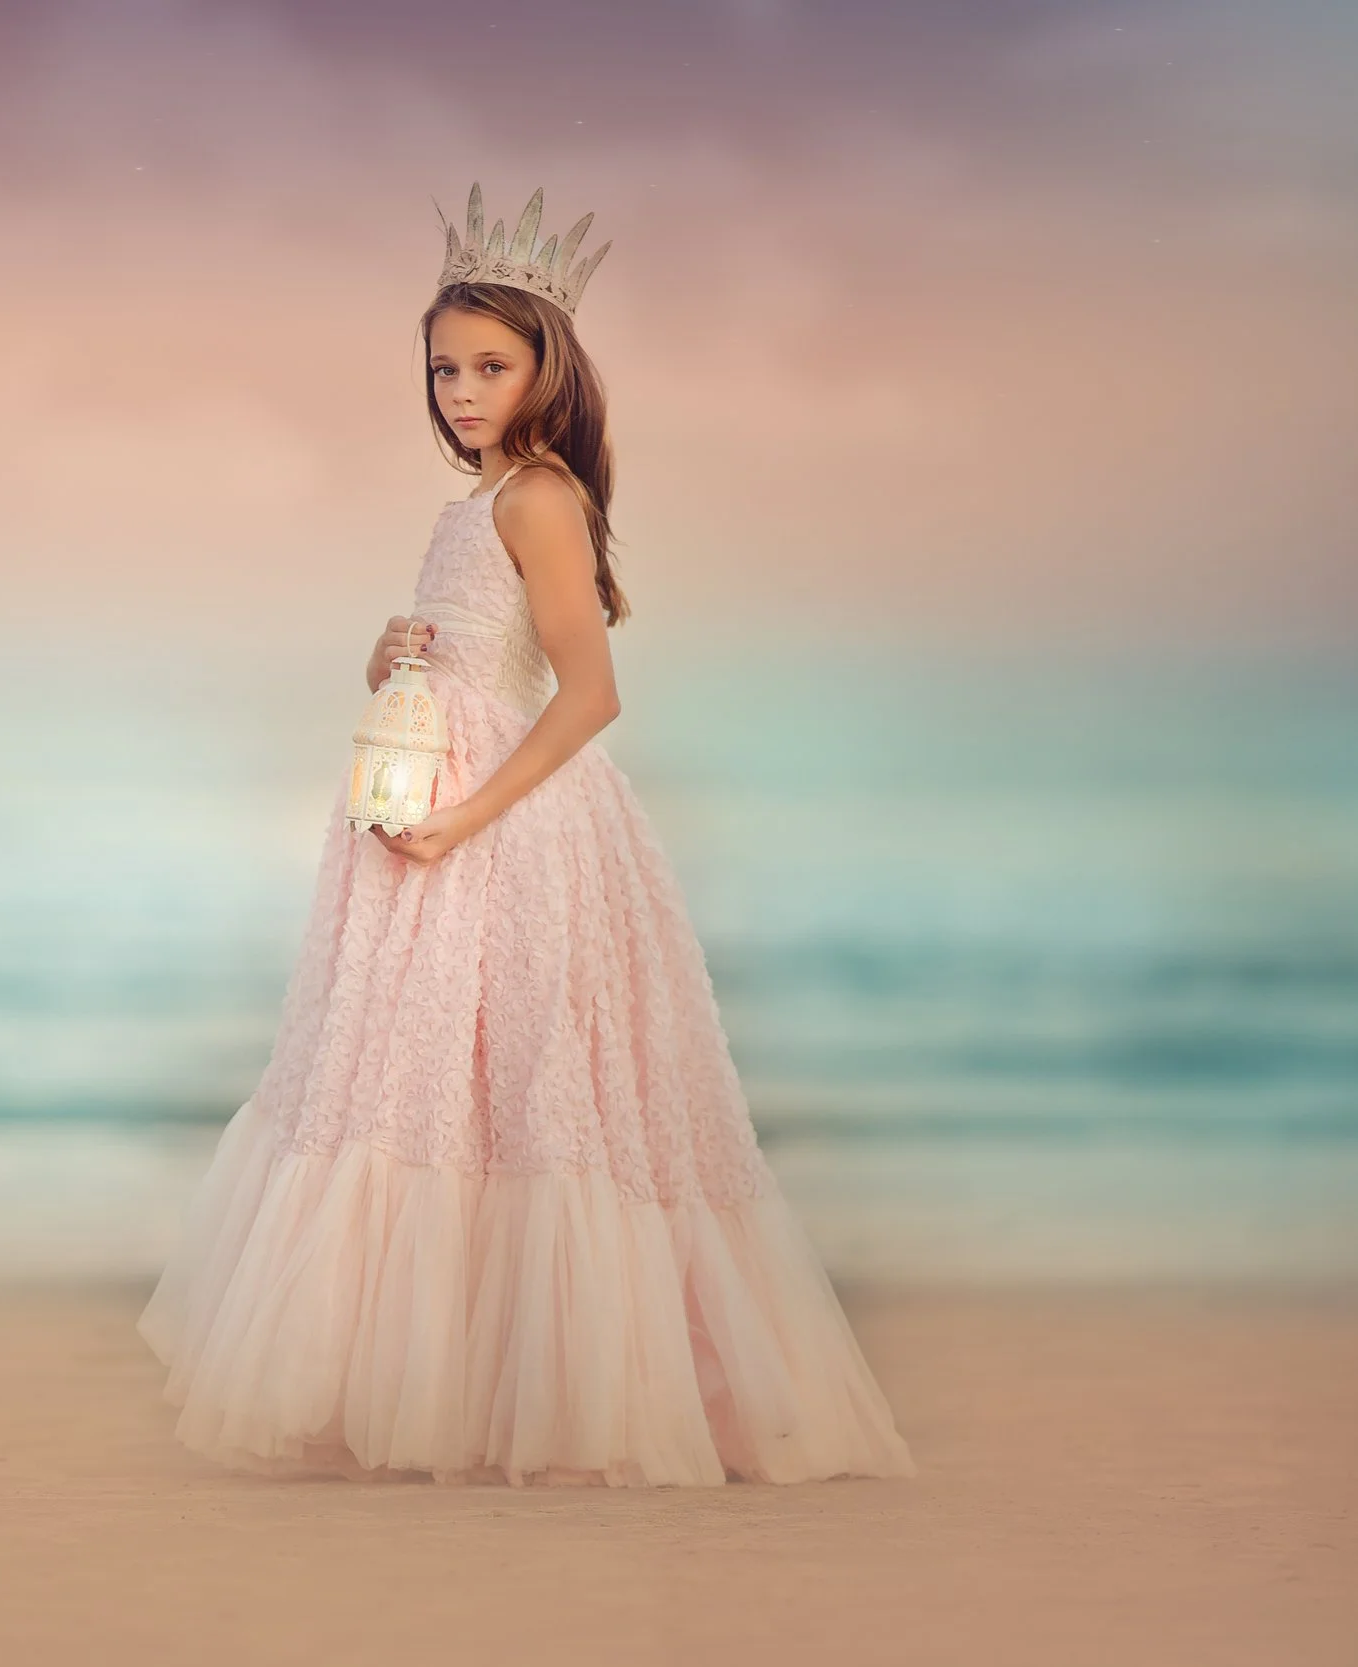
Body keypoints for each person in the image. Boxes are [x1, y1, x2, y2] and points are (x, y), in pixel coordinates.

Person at [135, 183, 916, 1487]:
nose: (460, 389)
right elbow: (474, 657)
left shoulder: (539, 495)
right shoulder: (476, 502)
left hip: (506, 825)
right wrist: (390, 652)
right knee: (430, 1084)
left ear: (547, 367)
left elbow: (590, 693)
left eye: (489, 365)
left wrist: (467, 817)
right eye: (444, 367)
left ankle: (551, 1397)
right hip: (433, 812)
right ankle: (461, 1387)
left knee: (517, 1091)